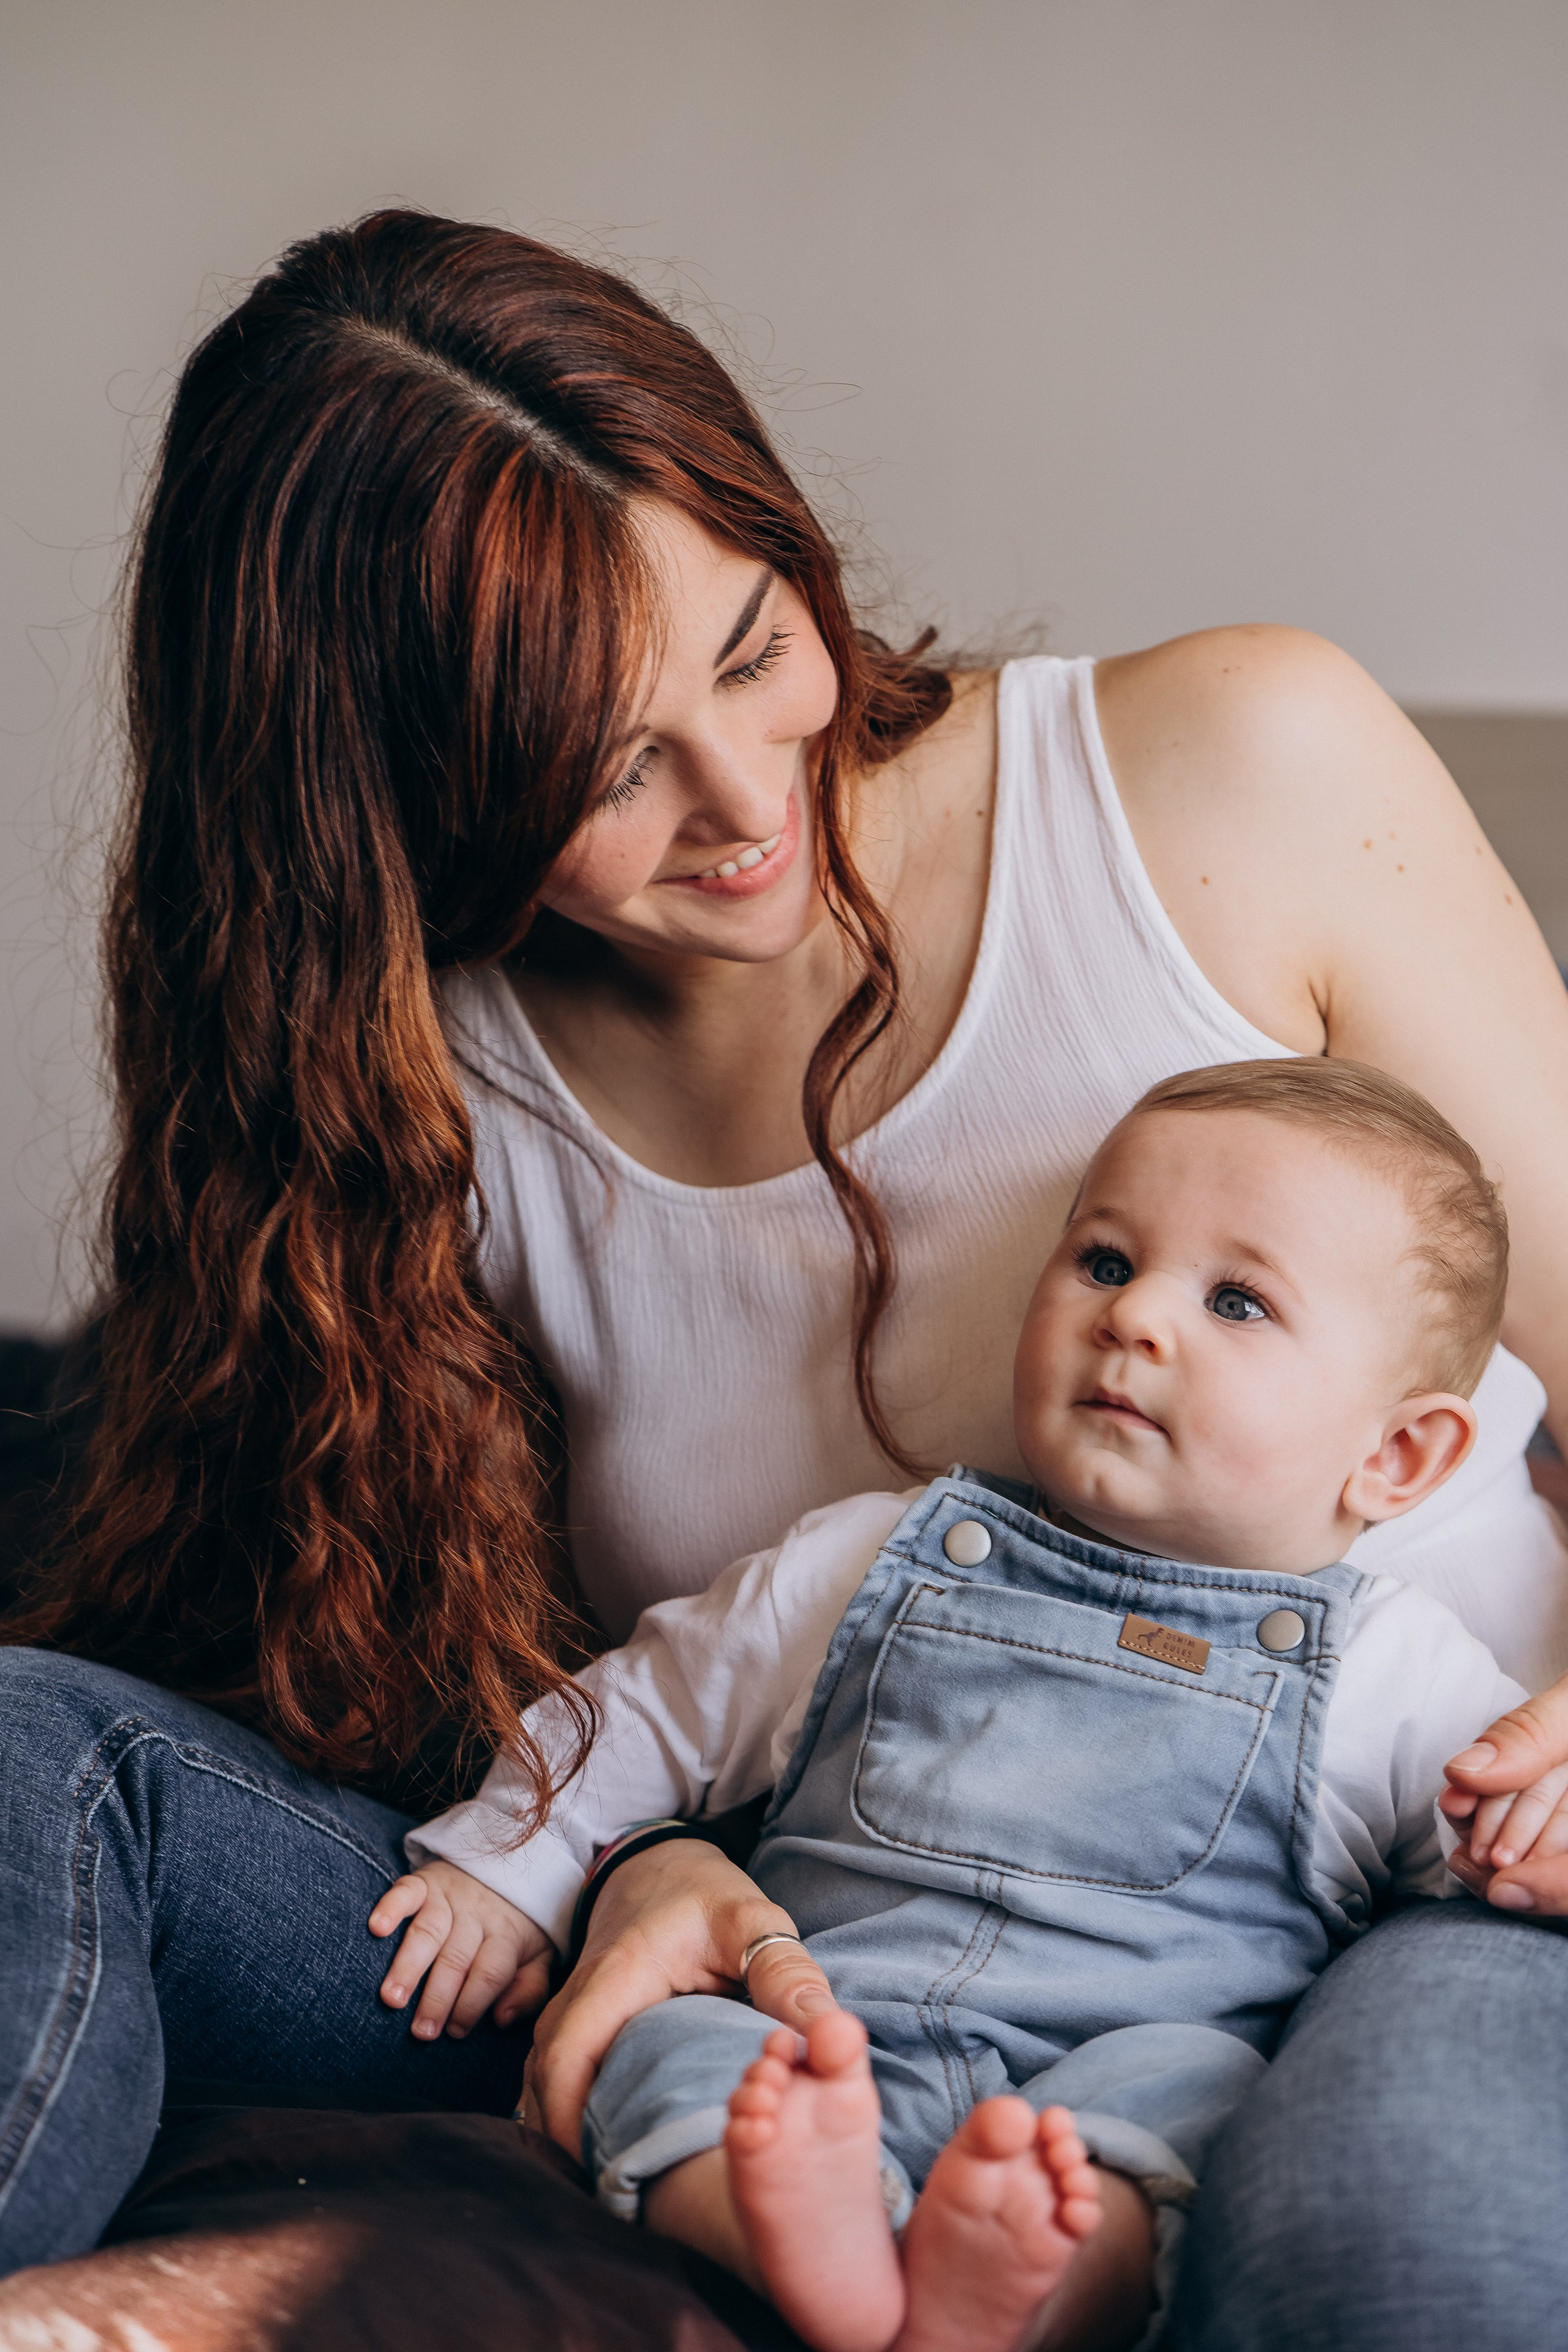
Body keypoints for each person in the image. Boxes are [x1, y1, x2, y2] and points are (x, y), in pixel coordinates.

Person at [3, 209, 1568, 2345]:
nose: (750, 803)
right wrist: (643, 1867)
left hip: (1402, 1885)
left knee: (1391, 2241)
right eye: (602, 764)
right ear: (402, 796)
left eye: (752, 651)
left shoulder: (1232, 770)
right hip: (779, 1937)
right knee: (38, 1752)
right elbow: (470, 1678)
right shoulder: (404, 1088)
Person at [376, 1059, 1535, 2352]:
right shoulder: (874, 1557)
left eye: (1234, 1301)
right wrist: (511, 1863)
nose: (1135, 1316)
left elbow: (1511, 1831)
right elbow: (652, 1708)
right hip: (820, 2039)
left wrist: (1542, 1833)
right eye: (1104, 1262)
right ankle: (802, 2241)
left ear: (1395, 1456)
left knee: (1202, 2092)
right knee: (667, 2042)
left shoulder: (1392, 1670)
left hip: (1105, 2091)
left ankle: (1025, 2296)